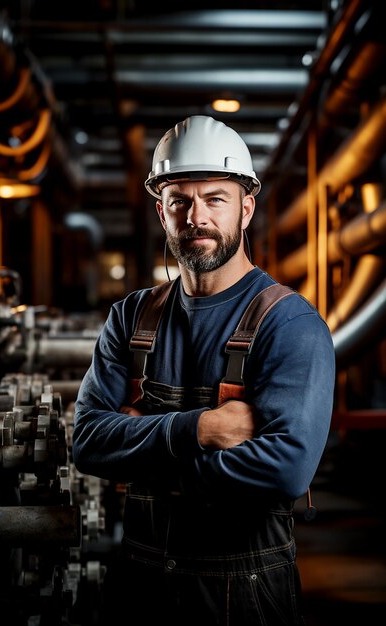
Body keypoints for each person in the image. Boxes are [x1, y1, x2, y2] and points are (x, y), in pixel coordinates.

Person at [72, 115, 336, 626]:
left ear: (247, 207)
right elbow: (87, 441)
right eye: (180, 201)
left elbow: (286, 469)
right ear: (161, 211)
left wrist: (141, 450)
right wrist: (201, 428)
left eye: (216, 198)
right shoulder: (131, 318)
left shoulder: (289, 324)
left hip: (248, 595)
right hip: (141, 588)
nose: (198, 216)